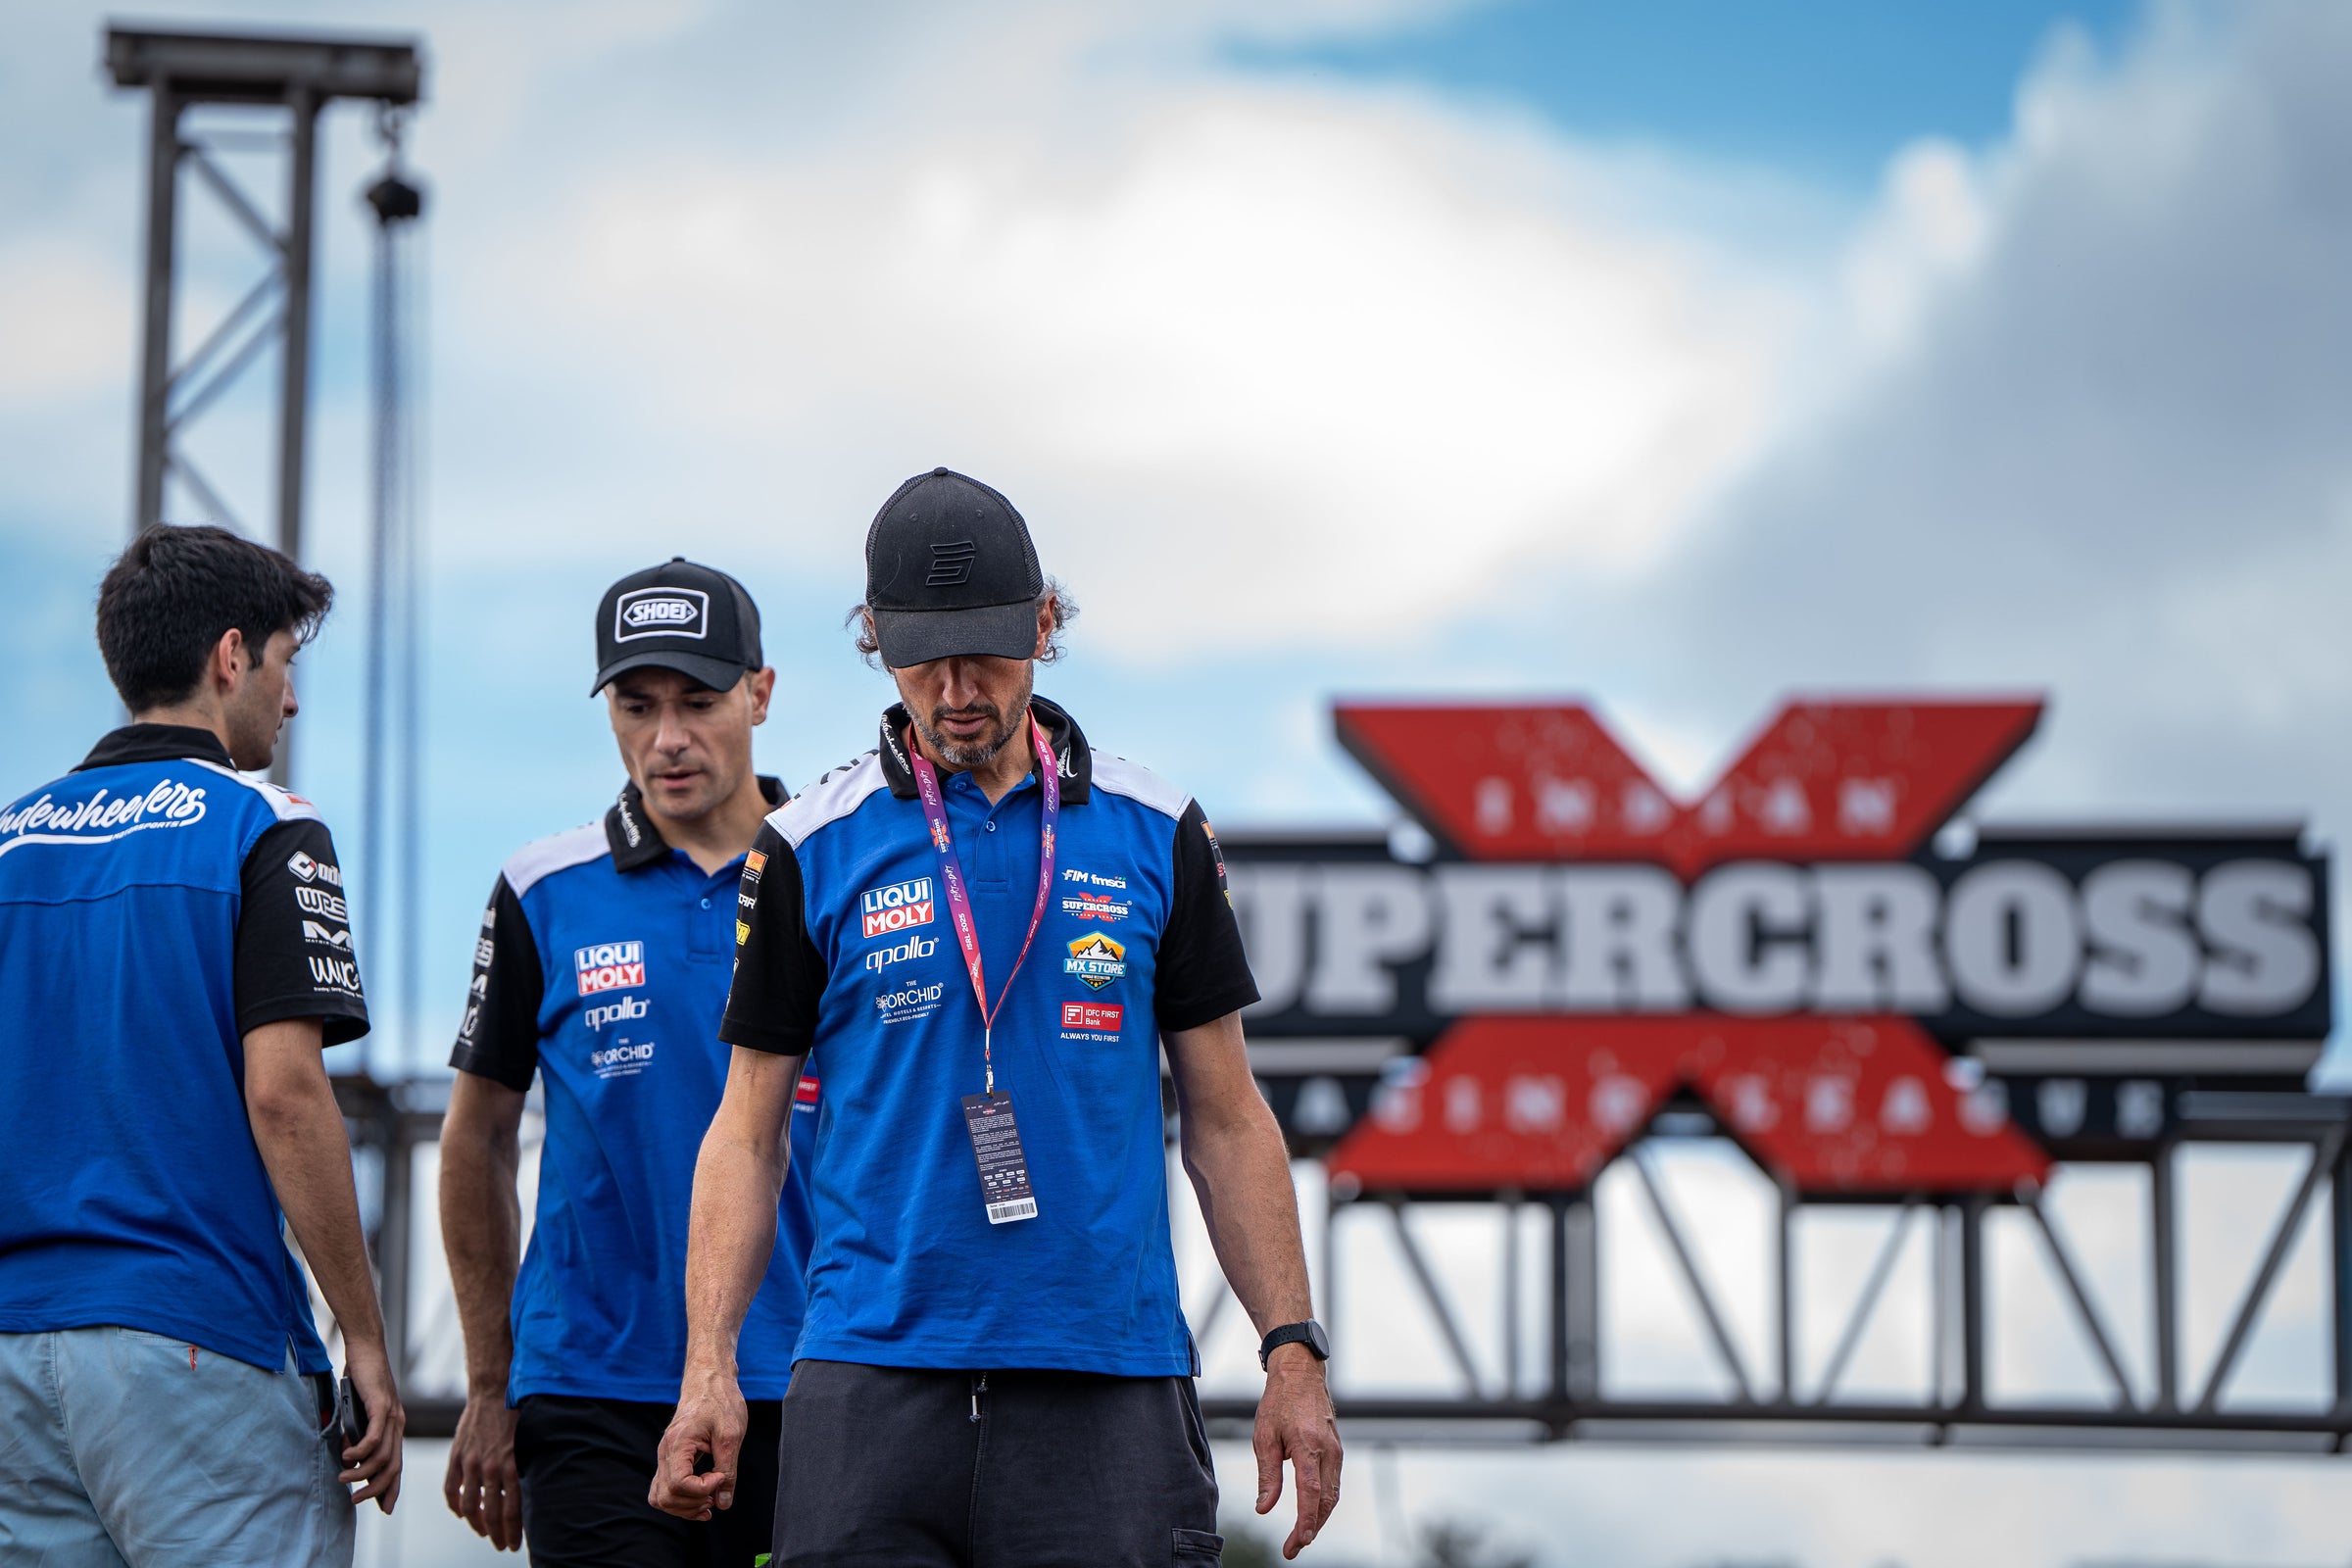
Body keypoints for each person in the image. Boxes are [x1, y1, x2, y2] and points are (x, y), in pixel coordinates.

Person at [653, 468, 1343, 1566]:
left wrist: (1292, 1350)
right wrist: (708, 1368)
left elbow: (1227, 1116)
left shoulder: (1158, 828)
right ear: (875, 639)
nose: (957, 688)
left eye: (986, 649)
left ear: (1045, 623)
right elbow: (746, 1131)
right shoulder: (805, 845)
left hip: (1107, 1378)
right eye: (922, 656)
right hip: (871, 1375)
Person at [0, 523, 404, 1566]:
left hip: (14, 1348)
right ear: (232, 656)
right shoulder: (265, 825)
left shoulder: (8, 839)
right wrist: (365, 1338)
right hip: (198, 1338)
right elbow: (286, 1096)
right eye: (285, 662)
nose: (292, 698)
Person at [439, 558, 819, 1564]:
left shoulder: (832, 870)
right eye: (637, 705)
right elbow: (474, 1142)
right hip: (593, 1394)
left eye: (698, 702)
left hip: (809, 1380)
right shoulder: (542, 890)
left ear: (761, 694)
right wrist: (489, 1384)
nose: (667, 739)